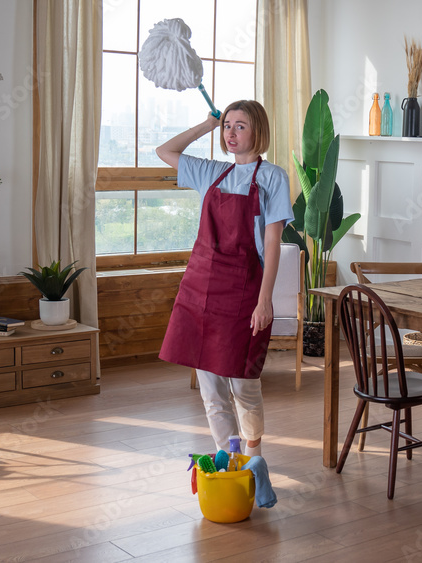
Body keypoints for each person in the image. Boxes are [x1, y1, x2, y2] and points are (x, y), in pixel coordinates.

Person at [156, 100, 293, 457]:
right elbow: (165, 151)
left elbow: (273, 242)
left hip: (245, 290)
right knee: (211, 389)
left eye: (240, 126)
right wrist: (207, 124)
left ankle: (254, 452)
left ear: (258, 131)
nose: (231, 133)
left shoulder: (272, 177)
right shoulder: (211, 172)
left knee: (244, 382)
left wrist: (265, 300)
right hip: (201, 288)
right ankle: (229, 459)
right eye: (227, 126)